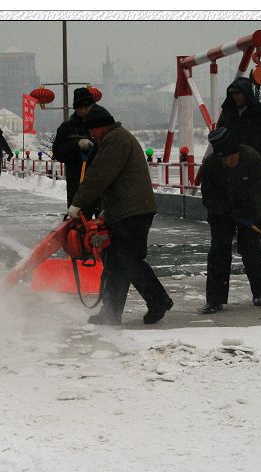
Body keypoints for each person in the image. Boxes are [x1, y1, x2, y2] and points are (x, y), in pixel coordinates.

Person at [69, 104, 173, 325]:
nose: (92, 137)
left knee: (127, 259)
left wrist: (78, 204)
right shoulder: (117, 137)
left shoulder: (115, 140)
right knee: (116, 260)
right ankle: (112, 311)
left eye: (92, 131)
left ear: (100, 127)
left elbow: (99, 175)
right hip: (127, 209)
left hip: (132, 210)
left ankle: (158, 300)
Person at [199, 127, 261, 314]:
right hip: (222, 213)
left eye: (231, 157)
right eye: (223, 159)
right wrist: (225, 210)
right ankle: (215, 300)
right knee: (219, 251)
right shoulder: (209, 165)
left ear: (237, 152)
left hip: (248, 210)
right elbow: (208, 198)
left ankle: (259, 292)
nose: (228, 162)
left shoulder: (251, 158)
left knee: (251, 248)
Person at [52, 87, 100, 218]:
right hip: (77, 181)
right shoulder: (67, 127)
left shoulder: (99, 125)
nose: (84, 110)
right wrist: (76, 144)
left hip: (99, 179)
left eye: (87, 106)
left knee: (103, 223)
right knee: (79, 221)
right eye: (80, 107)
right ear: (76, 108)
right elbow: (58, 152)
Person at [216, 77, 261, 166]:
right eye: (233, 93)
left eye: (238, 93)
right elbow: (220, 134)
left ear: (246, 94)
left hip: (256, 161)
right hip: (233, 163)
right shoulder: (228, 113)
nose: (235, 96)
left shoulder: (260, 111)